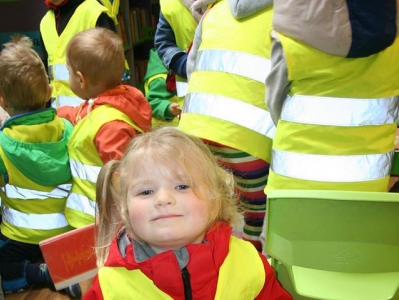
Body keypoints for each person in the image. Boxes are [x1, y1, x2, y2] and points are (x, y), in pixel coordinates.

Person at [83, 127, 292, 300]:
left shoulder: (247, 261)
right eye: (146, 191)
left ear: (216, 198)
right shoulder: (110, 287)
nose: (163, 199)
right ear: (125, 211)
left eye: (182, 186)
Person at [265, 1, 399, 193]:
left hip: (292, 182)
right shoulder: (394, 40)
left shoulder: (291, 32)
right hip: (366, 185)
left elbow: (274, 102)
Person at [178, 0, 275, 251]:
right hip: (249, 136)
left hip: (195, 129)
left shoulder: (214, 10)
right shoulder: (290, 13)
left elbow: (192, 66)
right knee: (255, 214)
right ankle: (251, 266)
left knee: (202, 206)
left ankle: (203, 264)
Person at [0, 35, 80, 297]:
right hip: (64, 236)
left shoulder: (1, 145)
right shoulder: (68, 130)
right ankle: (61, 273)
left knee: (6, 262)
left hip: (19, 239)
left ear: (2, 100)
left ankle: (32, 274)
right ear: (48, 91)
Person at [57, 27, 151, 229]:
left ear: (81, 79)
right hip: (93, 219)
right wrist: (55, 113)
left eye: (68, 72)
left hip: (100, 222)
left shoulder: (110, 126)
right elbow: (79, 115)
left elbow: (122, 177)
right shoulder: (108, 104)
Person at [40, 0, 130, 108]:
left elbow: (112, 81)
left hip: (93, 117)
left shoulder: (94, 13)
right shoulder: (45, 23)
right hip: (60, 120)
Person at [143, 48, 181, 128]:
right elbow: (151, 103)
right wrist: (167, 108)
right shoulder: (159, 79)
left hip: (174, 128)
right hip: (165, 130)